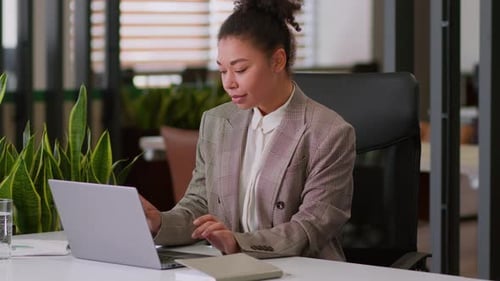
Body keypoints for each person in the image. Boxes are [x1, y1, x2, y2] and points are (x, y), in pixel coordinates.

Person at [140, 0, 356, 261]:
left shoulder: (329, 132)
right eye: (222, 70)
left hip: (303, 269)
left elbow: (310, 227)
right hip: (231, 268)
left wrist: (238, 243)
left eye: (240, 69)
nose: (229, 83)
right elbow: (200, 203)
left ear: (277, 60)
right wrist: (159, 222)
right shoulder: (216, 122)